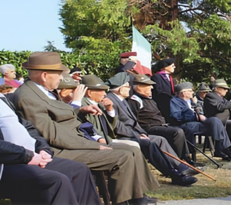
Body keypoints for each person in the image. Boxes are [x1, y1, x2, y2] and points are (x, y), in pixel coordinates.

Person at [0, 42, 102, 205]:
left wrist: (43, 148)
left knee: (78, 170)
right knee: (55, 181)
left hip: (22, 157)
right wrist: (26, 156)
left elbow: (26, 125)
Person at [12, 51, 160, 205]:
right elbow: (51, 134)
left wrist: (79, 111)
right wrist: (95, 145)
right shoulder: (28, 96)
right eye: (59, 74)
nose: (62, 78)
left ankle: (135, 199)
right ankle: (128, 201)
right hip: (58, 150)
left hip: (72, 143)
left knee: (128, 152)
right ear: (44, 75)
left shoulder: (40, 92)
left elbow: (57, 118)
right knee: (123, 157)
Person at [105, 72, 199, 186]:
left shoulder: (121, 100)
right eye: (127, 86)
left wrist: (141, 133)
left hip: (133, 133)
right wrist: (137, 135)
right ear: (120, 89)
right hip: (123, 136)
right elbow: (116, 125)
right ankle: (175, 173)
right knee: (151, 142)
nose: (130, 88)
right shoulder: (111, 100)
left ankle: (179, 167)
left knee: (160, 140)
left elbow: (134, 122)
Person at [170, 82, 231, 162]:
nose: (193, 93)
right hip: (187, 124)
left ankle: (223, 149)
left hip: (200, 123)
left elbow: (203, 111)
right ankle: (225, 150)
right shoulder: (175, 101)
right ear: (184, 92)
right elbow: (176, 116)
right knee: (216, 123)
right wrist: (196, 117)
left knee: (215, 121)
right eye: (190, 91)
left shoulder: (193, 101)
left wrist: (196, 105)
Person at [127, 74, 190, 162]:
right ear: (139, 87)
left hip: (159, 125)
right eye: (148, 85)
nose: (152, 88)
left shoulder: (150, 100)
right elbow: (132, 119)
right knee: (177, 132)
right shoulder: (134, 100)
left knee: (181, 130)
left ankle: (185, 159)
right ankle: (179, 161)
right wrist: (140, 133)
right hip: (148, 128)